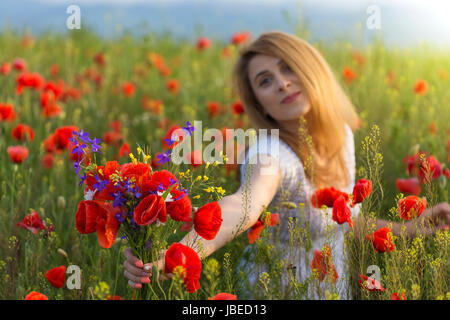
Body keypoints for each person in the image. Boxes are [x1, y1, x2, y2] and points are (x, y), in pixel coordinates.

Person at [122, 31, 450, 299]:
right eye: (265, 81)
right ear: (260, 104)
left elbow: (348, 221)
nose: (281, 83)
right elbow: (245, 206)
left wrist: (415, 228)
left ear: (311, 69)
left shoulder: (343, 136)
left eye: (288, 68)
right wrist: (179, 254)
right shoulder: (272, 154)